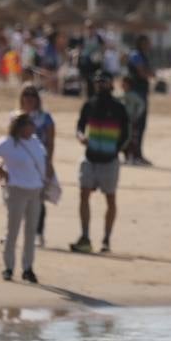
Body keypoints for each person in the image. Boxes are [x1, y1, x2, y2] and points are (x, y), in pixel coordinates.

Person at [0, 112, 49, 283]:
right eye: (29, 124)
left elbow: (42, 163)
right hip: (16, 190)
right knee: (13, 231)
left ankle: (28, 268)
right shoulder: (8, 143)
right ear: (20, 126)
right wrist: (1, 172)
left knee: (30, 232)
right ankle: (9, 267)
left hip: (35, 191)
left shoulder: (35, 142)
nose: (33, 127)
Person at [71, 71, 129, 255]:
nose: (100, 85)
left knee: (110, 199)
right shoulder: (89, 104)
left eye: (103, 82)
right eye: (97, 82)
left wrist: (115, 148)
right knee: (83, 194)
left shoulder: (119, 107)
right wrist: (81, 136)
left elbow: (127, 133)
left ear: (111, 84)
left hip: (110, 161)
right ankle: (85, 236)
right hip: (89, 159)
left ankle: (106, 239)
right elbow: (80, 125)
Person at [16, 85, 56, 248]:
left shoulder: (45, 118)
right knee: (17, 199)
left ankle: (38, 232)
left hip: (39, 164)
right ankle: (17, 232)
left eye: (32, 95)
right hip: (19, 164)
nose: (29, 98)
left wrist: (48, 163)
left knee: (38, 199)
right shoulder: (16, 117)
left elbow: (51, 143)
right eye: (26, 94)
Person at [127, 35, 154, 165]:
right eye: (147, 42)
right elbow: (142, 72)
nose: (150, 45)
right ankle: (132, 154)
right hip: (135, 93)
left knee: (140, 125)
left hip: (140, 92)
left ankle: (137, 153)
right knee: (135, 124)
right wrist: (150, 74)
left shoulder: (141, 55)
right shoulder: (136, 55)